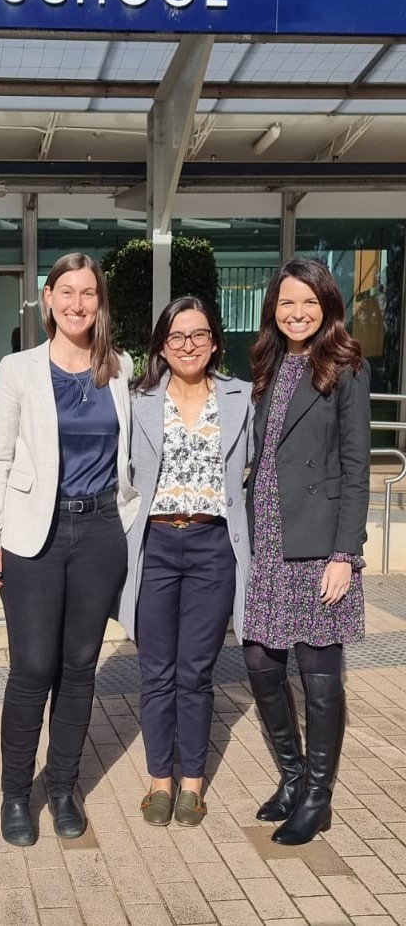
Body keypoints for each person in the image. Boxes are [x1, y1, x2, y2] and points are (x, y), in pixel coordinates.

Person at [0, 252, 140, 847]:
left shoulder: (119, 369)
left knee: (79, 670)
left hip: (99, 532)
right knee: (32, 670)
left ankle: (65, 787)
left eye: (88, 292)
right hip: (33, 536)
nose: (77, 303)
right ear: (47, 299)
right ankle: (16, 795)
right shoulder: (17, 370)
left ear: (100, 302)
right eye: (66, 291)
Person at [243, 257, 369, 846]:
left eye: (309, 304)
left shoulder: (345, 365)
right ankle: (292, 776)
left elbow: (356, 466)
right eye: (287, 303)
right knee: (261, 663)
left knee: (320, 675)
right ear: (274, 307)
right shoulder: (268, 364)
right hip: (268, 536)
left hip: (319, 545)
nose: (297, 314)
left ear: (327, 307)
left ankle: (318, 795)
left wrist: (346, 553)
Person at [115, 295, 252, 828]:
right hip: (154, 545)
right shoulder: (137, 400)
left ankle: (192, 783)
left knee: (195, 672)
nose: (188, 345)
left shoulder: (241, 398)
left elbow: (258, 472)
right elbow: (120, 474)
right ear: (162, 346)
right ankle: (159, 783)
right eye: (176, 337)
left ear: (214, 341)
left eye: (198, 335)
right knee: (155, 671)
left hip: (213, 545)